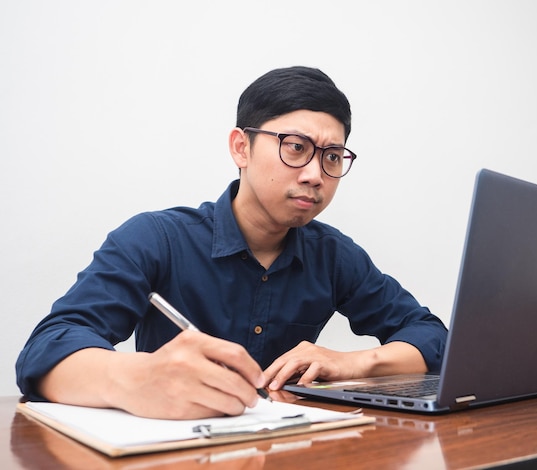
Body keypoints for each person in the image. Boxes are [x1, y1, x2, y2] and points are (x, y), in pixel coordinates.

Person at [16, 66, 448, 419]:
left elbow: (434, 337)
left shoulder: (334, 256)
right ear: (241, 147)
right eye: (296, 148)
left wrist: (354, 361)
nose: (316, 174)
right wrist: (137, 377)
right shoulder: (156, 238)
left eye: (332, 157)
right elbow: (46, 350)